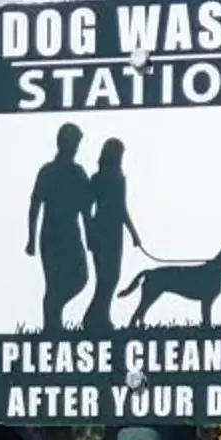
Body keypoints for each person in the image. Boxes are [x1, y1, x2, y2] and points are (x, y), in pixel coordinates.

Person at [26, 124, 92, 335]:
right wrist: (31, 239)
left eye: (77, 144)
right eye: (73, 143)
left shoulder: (78, 172)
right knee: (53, 283)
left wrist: (91, 237)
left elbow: (85, 208)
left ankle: (54, 316)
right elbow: (35, 204)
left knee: (80, 277)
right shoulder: (48, 171)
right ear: (63, 143)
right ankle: (52, 328)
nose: (75, 147)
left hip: (72, 234)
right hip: (52, 235)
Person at [80, 138, 140, 332]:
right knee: (107, 278)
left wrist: (133, 234)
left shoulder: (110, 177)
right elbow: (89, 208)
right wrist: (133, 233)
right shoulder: (107, 178)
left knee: (109, 278)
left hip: (109, 230)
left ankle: (100, 317)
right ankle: (94, 318)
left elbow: (119, 208)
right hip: (107, 231)